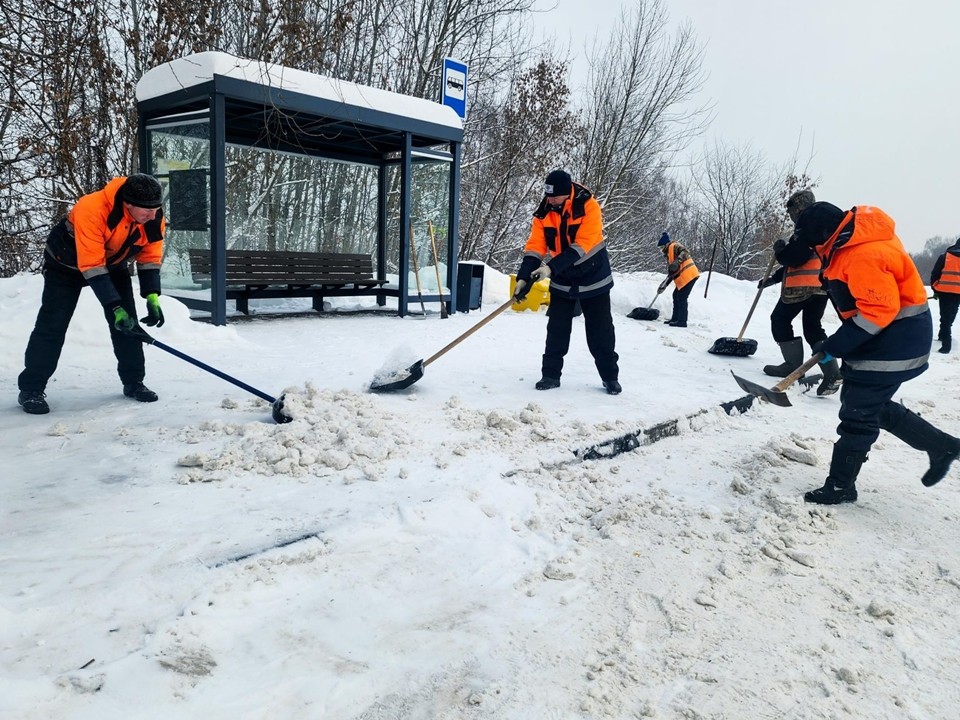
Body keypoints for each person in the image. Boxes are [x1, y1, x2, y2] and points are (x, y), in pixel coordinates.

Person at [792, 201, 960, 504]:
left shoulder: (862, 254)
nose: (813, 249)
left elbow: (877, 312)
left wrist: (835, 345)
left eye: (812, 242)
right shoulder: (852, 241)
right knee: (868, 404)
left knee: (858, 412)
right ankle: (941, 446)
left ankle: (841, 486)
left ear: (825, 234)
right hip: (890, 337)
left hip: (895, 342)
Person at [17, 174, 167, 415]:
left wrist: (151, 295)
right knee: (52, 324)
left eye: (156, 209)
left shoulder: (152, 215)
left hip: (112, 263)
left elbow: (149, 255)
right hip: (65, 265)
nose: (153, 215)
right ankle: (31, 389)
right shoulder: (92, 208)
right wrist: (113, 306)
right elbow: (91, 265)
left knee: (128, 324)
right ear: (127, 204)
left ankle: (133, 381)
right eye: (147, 211)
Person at [513, 169, 620, 394]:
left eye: (554, 196)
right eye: (547, 195)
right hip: (563, 276)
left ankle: (610, 377)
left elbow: (582, 246)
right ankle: (550, 375)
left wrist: (549, 268)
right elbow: (535, 246)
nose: (549, 200)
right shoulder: (544, 212)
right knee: (557, 329)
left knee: (600, 331)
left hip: (593, 276)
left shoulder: (588, 206)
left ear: (567, 193)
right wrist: (524, 278)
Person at [759, 189, 841, 396]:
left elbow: (795, 258)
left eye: (792, 212)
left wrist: (780, 252)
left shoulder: (807, 225)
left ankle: (792, 365)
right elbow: (799, 261)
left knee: (779, 319)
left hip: (801, 288)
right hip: (821, 287)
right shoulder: (825, 226)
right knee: (813, 328)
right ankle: (832, 372)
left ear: (799, 208)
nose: (792, 216)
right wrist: (774, 279)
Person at [657, 231, 699, 327]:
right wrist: (664, 285)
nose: (661, 250)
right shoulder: (669, 254)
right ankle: (675, 318)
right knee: (676, 295)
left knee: (681, 297)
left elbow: (685, 252)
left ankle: (682, 321)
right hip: (685, 276)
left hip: (690, 274)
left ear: (666, 245)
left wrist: (677, 262)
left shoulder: (674, 246)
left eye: (661, 248)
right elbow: (672, 272)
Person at [929, 237, 960, 354]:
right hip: (958, 293)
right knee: (951, 313)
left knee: (945, 316)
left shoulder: (945, 256)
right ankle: (944, 336)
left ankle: (946, 343)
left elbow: (935, 273)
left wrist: (935, 289)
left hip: (945, 291)